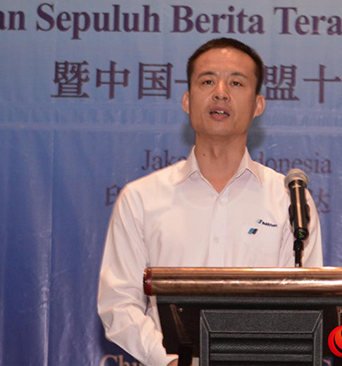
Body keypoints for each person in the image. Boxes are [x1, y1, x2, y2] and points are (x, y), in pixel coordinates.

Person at [97, 38, 323, 366]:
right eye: (207, 81)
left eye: (236, 83)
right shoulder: (142, 198)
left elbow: (305, 307)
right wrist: (171, 360)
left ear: (258, 105)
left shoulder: (288, 199)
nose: (220, 93)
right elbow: (118, 303)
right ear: (187, 101)